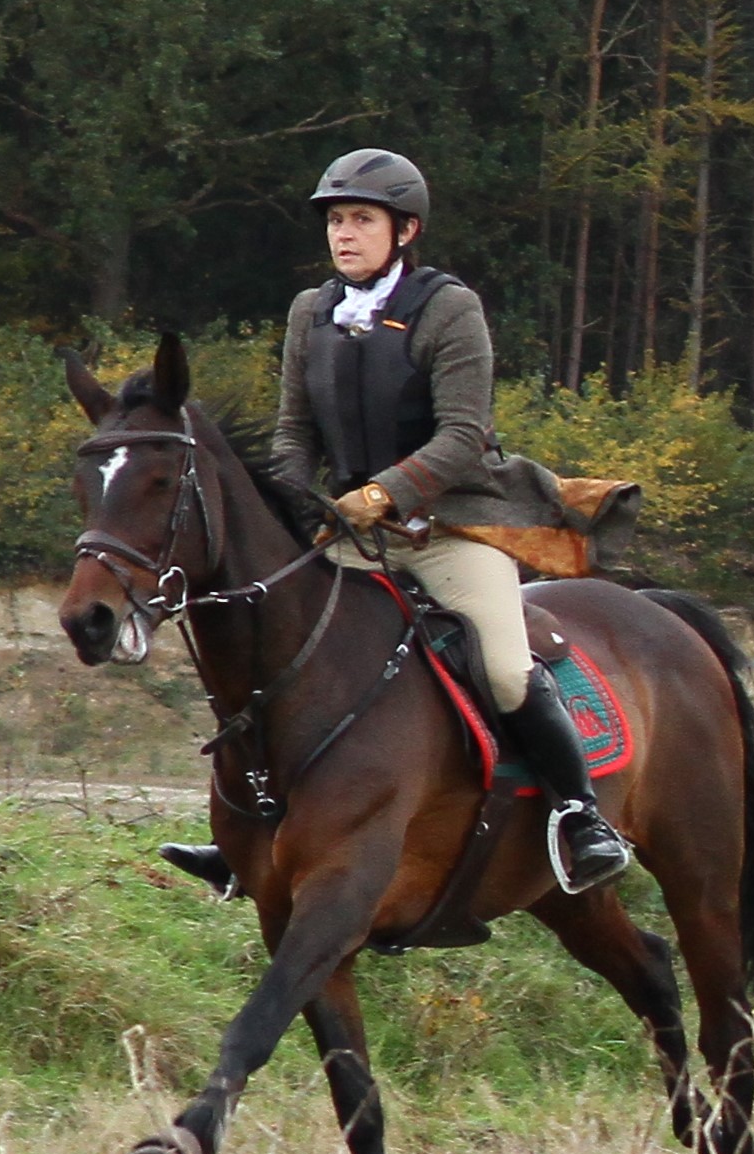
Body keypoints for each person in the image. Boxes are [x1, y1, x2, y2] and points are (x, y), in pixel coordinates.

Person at [161, 150, 634, 892]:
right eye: (335, 221)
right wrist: (284, 503)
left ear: (405, 230)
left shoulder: (449, 308)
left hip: (451, 528)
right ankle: (246, 834)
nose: (344, 234)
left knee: (504, 668)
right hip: (357, 536)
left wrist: (382, 494)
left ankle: (581, 816)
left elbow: (463, 435)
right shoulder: (311, 311)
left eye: (361, 219)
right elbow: (295, 433)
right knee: (275, 652)